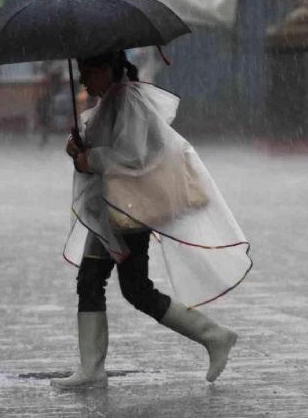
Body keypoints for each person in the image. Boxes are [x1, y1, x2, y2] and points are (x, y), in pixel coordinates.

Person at [53, 51, 252, 390]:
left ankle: (215, 336)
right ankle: (91, 368)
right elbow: (111, 150)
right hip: (110, 208)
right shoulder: (111, 100)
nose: (83, 79)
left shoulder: (128, 101)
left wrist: (91, 157)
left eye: (87, 70)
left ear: (106, 69)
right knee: (91, 280)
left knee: (136, 290)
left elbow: (133, 154)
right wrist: (80, 150)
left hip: (128, 210)